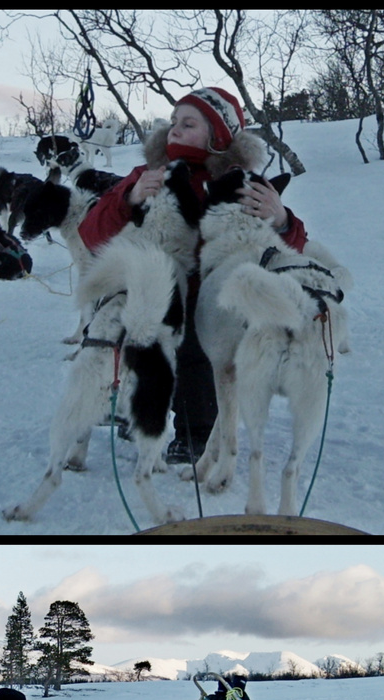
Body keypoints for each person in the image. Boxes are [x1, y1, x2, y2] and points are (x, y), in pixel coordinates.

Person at [78, 86, 310, 463]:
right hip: (152, 286)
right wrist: (129, 199)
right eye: (172, 123)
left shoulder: (241, 183)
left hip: (209, 296)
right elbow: (92, 233)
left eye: (188, 124)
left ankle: (195, 432)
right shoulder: (148, 175)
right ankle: (127, 409)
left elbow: (287, 251)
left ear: (219, 135)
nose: (174, 130)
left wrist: (282, 219)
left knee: (200, 349)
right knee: (129, 332)